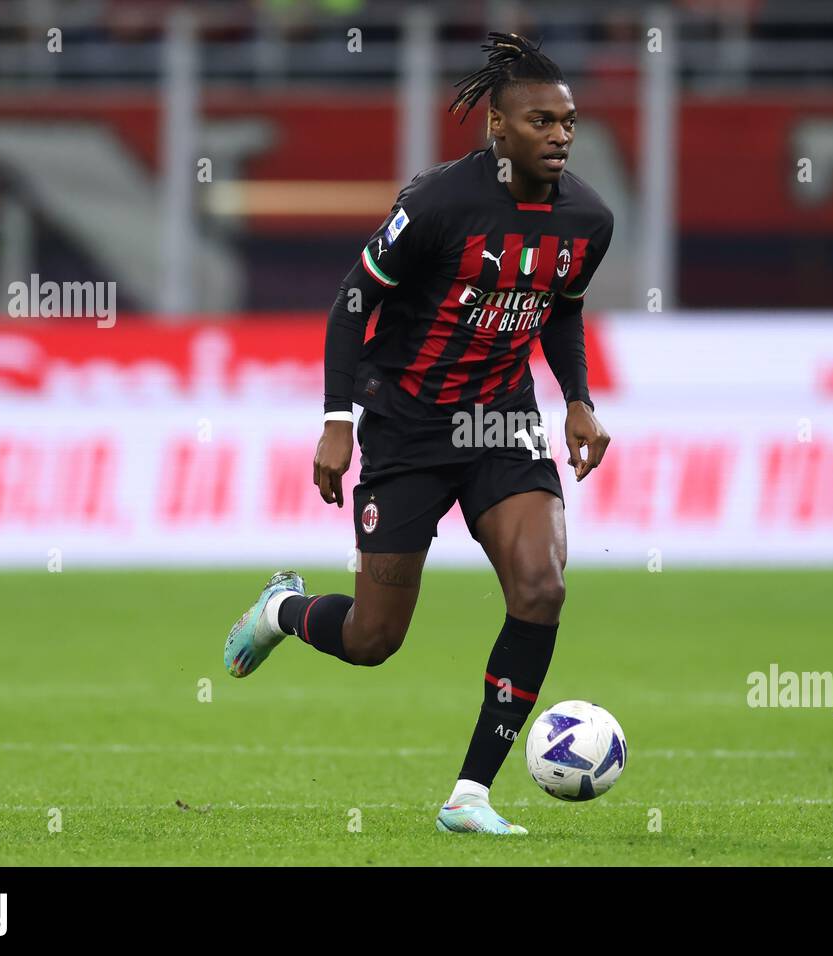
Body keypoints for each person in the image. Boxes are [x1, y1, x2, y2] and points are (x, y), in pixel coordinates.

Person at [223, 32, 614, 835]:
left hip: (500, 421)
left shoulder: (588, 218)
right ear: (497, 129)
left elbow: (561, 304)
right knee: (372, 639)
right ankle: (283, 610)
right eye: (541, 121)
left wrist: (577, 398)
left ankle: (470, 794)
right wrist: (338, 420)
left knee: (541, 588)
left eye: (568, 121)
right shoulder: (439, 203)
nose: (560, 135)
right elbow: (352, 303)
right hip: (406, 424)